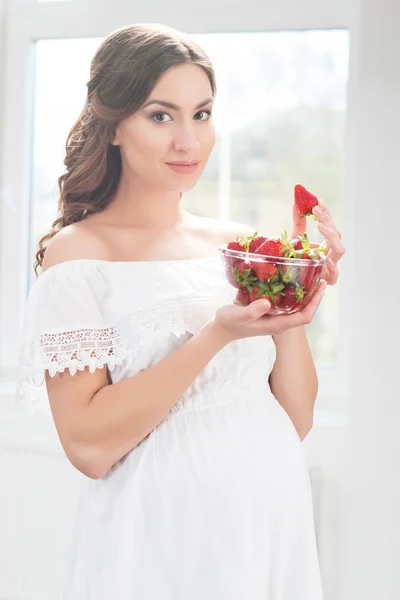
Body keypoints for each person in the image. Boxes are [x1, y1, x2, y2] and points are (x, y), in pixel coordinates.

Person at [16, 23, 345, 600]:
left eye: (202, 113)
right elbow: (89, 447)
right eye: (161, 115)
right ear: (113, 125)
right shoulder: (78, 256)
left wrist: (293, 285)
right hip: (160, 543)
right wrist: (214, 336)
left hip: (269, 527)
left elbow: (293, 419)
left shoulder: (237, 244)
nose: (188, 142)